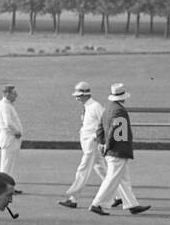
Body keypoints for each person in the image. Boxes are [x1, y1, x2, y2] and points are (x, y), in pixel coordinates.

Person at [89, 83, 151, 216]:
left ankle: (132, 205)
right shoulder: (119, 111)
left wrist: (102, 143)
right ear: (123, 97)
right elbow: (114, 131)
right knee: (112, 178)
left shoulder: (108, 109)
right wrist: (108, 145)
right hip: (118, 150)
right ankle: (97, 204)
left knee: (123, 179)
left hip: (112, 150)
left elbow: (100, 128)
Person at [57, 82, 108, 209]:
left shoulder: (95, 106)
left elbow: (105, 122)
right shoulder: (87, 107)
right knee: (102, 170)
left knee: (83, 169)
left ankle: (73, 198)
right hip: (87, 143)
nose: (76, 97)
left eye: (79, 95)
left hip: (92, 143)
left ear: (85, 94)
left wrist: (98, 137)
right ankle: (120, 196)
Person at [0, 84, 24, 191]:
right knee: (6, 165)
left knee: (11, 165)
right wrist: (16, 131)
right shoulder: (5, 106)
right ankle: (3, 188)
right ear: (7, 94)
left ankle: (9, 187)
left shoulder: (8, 104)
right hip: (9, 138)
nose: (16, 96)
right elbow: (8, 123)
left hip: (12, 139)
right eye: (14, 94)